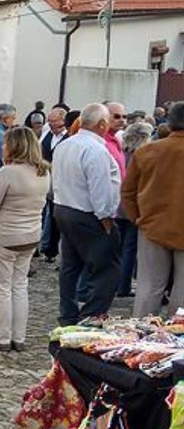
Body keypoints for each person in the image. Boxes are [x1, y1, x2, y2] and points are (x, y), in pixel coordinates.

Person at [0, 127, 50, 352]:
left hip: (5, 236)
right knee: (20, 286)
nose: (3, 147)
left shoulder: (7, 172)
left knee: (2, 287)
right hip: (30, 235)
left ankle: (2, 337)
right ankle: (19, 337)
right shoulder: (44, 172)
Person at [52, 103, 122, 326]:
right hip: (87, 212)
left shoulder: (65, 145)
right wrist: (106, 217)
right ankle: (91, 315)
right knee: (106, 267)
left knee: (70, 266)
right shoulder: (96, 150)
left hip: (64, 207)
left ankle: (68, 314)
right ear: (102, 124)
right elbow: (100, 187)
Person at [123, 104, 184, 317]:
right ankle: (179, 339)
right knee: (183, 290)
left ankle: (140, 333)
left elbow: (128, 192)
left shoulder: (148, 151)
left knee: (149, 287)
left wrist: (137, 219)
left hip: (152, 227)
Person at [115, 122, 154, 299]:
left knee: (117, 247)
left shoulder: (121, 152)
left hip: (117, 205)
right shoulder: (144, 156)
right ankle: (123, 285)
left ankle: (116, 283)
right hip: (134, 206)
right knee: (129, 249)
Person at [39, 107, 69, 262]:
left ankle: (56, 250)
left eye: (53, 121)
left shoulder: (69, 137)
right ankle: (48, 249)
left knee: (57, 217)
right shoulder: (46, 135)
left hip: (61, 182)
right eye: (49, 121)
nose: (50, 124)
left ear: (63, 120)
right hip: (45, 180)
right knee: (46, 214)